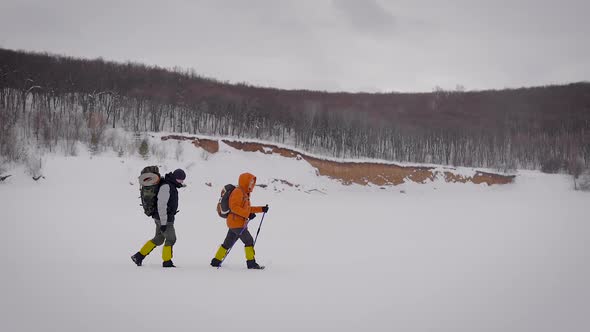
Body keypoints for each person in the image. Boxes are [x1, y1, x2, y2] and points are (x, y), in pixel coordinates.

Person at [210, 172, 269, 269]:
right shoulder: (238, 192)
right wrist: (247, 214)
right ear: (244, 182)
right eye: (250, 182)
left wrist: (261, 209)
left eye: (252, 183)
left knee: (227, 243)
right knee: (249, 240)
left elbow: (247, 209)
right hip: (236, 223)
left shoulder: (245, 194)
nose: (251, 184)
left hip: (235, 223)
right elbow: (234, 207)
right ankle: (251, 263)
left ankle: (216, 261)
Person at [131, 168, 186, 268]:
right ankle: (167, 261)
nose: (181, 182)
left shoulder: (170, 185)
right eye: (180, 180)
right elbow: (161, 205)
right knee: (171, 238)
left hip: (161, 218)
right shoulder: (166, 186)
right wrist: (164, 223)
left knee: (159, 239)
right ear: (175, 178)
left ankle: (138, 256)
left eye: (182, 180)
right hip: (164, 219)